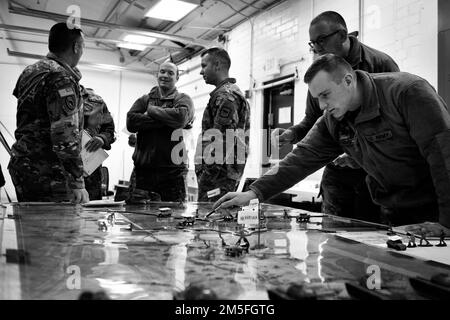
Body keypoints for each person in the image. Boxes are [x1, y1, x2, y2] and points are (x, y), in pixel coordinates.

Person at [214, 54, 450, 237]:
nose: (323, 105)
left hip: (436, 210)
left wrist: (446, 223)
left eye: (326, 95)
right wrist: (254, 193)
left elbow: (444, 156)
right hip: (393, 211)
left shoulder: (407, 92)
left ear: (348, 80)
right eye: (317, 99)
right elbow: (300, 158)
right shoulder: (333, 119)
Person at [272, 11, 399, 220]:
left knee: (373, 237)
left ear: (342, 35)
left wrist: (357, 155)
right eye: (312, 43)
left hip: (373, 173)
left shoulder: (380, 64)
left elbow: (393, 122)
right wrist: (293, 133)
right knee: (334, 238)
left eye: (321, 40)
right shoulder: (319, 74)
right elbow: (312, 120)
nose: (317, 48)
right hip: (337, 173)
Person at [8, 22, 88, 204]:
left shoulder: (31, 71)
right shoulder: (61, 77)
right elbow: (64, 135)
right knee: (56, 230)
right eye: (83, 46)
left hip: (24, 165)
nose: (83, 51)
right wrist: (77, 180)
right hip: (48, 171)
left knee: (30, 230)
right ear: (76, 47)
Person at [126, 61, 194, 202]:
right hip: (143, 171)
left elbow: (180, 118)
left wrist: (150, 111)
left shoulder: (183, 99)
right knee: (137, 215)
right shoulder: (145, 99)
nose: (165, 75)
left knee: (174, 217)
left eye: (170, 73)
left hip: (173, 173)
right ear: (157, 75)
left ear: (177, 78)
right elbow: (131, 122)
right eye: (162, 71)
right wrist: (166, 121)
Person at [195, 47, 250, 202]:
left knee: (211, 218)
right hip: (222, 174)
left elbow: (222, 142)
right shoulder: (227, 93)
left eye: (204, 66)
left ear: (217, 65)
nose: (201, 71)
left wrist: (207, 173)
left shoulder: (226, 96)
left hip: (218, 176)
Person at [81, 86, 116, 200]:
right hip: (57, 166)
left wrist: (102, 138)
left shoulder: (96, 102)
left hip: (89, 166)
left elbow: (109, 129)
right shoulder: (53, 95)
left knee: (90, 210)